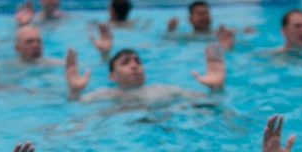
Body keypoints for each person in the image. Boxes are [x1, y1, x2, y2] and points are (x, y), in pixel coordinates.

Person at [64, 41, 225, 101]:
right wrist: (74, 91)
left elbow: (207, 102)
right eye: (125, 63)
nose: (134, 65)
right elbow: (74, 109)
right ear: (112, 76)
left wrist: (216, 88)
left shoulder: (164, 91)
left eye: (138, 61)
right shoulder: (104, 95)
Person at [166, 0, 235, 50]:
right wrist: (170, 30)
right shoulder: (186, 36)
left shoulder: (221, 34)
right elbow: (167, 44)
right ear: (190, 19)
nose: (204, 16)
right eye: (200, 14)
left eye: (206, 13)